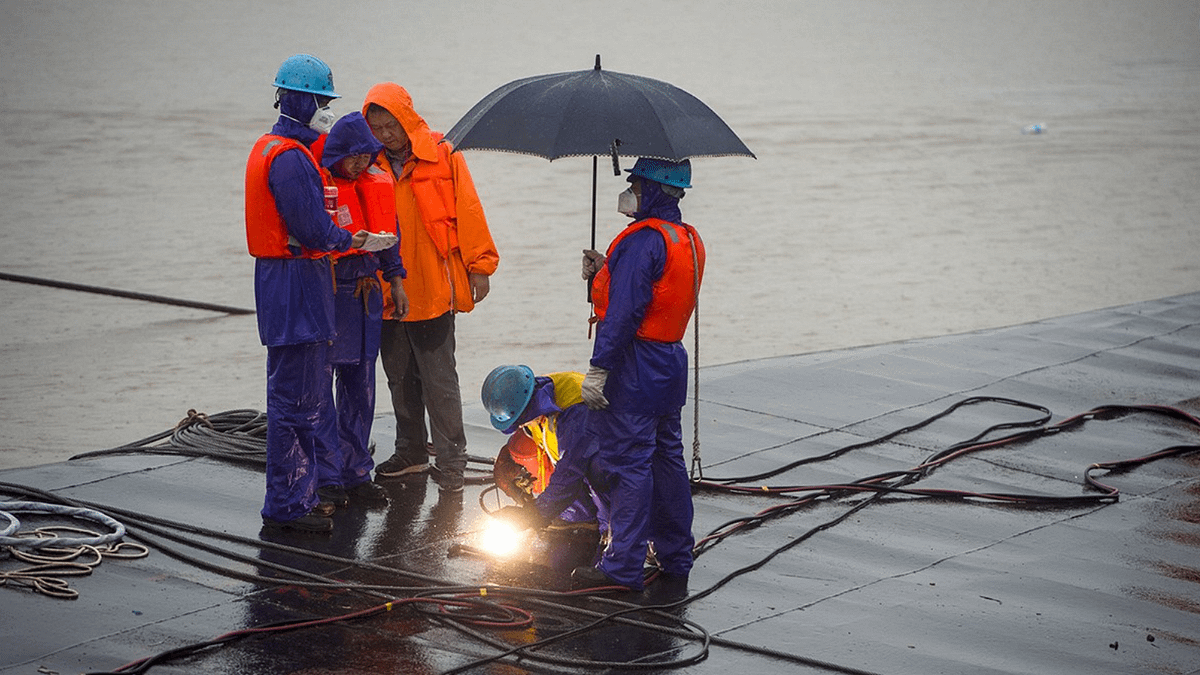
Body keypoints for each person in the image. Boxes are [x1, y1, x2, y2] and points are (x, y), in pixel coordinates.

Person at [244, 54, 369, 532]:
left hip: (281, 281)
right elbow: (313, 228)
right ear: (296, 98)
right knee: (298, 397)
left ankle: (297, 494)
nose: (325, 109)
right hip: (297, 283)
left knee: (294, 392)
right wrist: (348, 239)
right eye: (320, 100)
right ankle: (290, 503)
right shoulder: (292, 159)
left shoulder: (268, 147)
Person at [573, 157, 705, 591]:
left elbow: (626, 312)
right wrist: (604, 273)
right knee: (667, 460)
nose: (628, 191)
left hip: (634, 363)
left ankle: (622, 566)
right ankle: (675, 555)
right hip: (670, 361)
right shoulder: (687, 237)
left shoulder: (641, 240)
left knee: (629, 464)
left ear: (653, 188)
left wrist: (599, 367)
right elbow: (659, 294)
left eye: (635, 183)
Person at [361, 82, 499, 494]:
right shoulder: (366, 163)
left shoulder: (444, 153)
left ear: (408, 118)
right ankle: (411, 452)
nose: (385, 134)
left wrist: (480, 266)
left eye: (391, 125)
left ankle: (452, 460)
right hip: (388, 290)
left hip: (434, 288)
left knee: (439, 379)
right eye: (376, 127)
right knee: (398, 377)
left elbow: (468, 210)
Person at [310, 112, 408, 510]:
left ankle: (356, 473)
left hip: (367, 297)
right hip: (332, 293)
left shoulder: (377, 184)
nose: (362, 164)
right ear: (337, 153)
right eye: (354, 157)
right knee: (321, 390)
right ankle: (327, 476)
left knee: (361, 389)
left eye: (367, 157)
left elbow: (390, 239)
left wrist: (396, 282)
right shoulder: (320, 185)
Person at [482, 365, 605, 532]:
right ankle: (579, 515)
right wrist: (507, 460)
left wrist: (533, 515)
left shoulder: (575, 411)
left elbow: (570, 470)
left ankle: (614, 527)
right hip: (580, 452)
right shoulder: (535, 394)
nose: (521, 425)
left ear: (526, 410)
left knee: (596, 469)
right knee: (544, 456)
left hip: (619, 459)